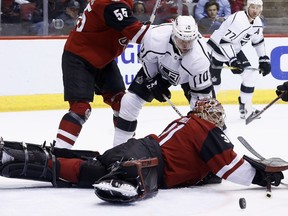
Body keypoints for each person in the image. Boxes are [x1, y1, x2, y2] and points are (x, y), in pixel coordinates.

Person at [0, 98, 284, 203]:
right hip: (146, 160)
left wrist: (256, 166)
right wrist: (260, 176)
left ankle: (11, 152)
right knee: (89, 170)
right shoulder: (204, 128)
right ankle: (12, 159)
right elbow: (228, 167)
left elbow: (213, 167)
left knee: (90, 163)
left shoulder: (189, 122)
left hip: (142, 151)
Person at [53, 0, 151, 149]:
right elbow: (136, 32)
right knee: (80, 109)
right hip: (79, 57)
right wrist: (154, 34)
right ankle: (59, 152)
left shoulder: (121, 3)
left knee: (123, 105)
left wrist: (148, 31)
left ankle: (123, 151)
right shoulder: (112, 4)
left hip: (103, 60)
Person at [113, 15, 214, 146]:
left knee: (208, 116)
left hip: (189, 76)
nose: (185, 45)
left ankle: (222, 156)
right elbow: (148, 61)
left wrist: (197, 115)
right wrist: (152, 80)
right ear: (173, 34)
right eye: (182, 40)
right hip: (161, 68)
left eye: (190, 41)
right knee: (129, 102)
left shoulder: (199, 59)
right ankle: (119, 149)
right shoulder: (155, 37)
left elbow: (201, 98)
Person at [207, 0, 271, 119]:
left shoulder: (257, 21)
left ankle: (245, 108)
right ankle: (209, 111)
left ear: (261, 8)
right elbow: (224, 43)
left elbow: (258, 41)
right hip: (216, 49)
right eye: (252, 7)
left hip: (233, 49)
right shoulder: (239, 19)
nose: (255, 10)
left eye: (258, 7)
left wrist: (263, 58)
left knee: (250, 75)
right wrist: (233, 60)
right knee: (215, 85)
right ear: (247, 7)